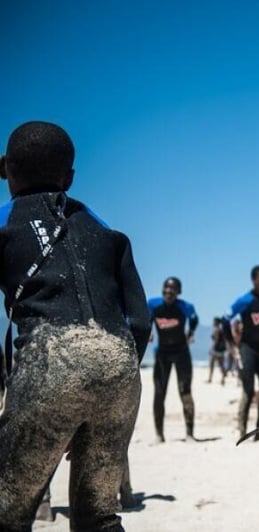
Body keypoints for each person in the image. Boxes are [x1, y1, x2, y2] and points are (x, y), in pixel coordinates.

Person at [0, 121, 150, 531]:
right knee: (97, 516)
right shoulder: (106, 231)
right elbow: (140, 320)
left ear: (4, 169)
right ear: (69, 178)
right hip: (119, 367)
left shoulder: (4, 223)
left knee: (7, 513)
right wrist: (103, 389)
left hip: (49, 362)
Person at [226, 265, 259, 441]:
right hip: (247, 349)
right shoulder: (245, 300)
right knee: (248, 391)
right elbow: (226, 319)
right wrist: (231, 345)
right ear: (254, 280)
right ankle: (242, 430)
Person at [148, 276, 198, 442]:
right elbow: (147, 319)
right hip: (163, 354)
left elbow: (194, 319)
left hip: (181, 352)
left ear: (178, 292)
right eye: (166, 288)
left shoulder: (185, 307)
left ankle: (190, 434)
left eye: (173, 289)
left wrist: (190, 333)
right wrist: (149, 331)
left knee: (185, 392)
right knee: (159, 393)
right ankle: (159, 435)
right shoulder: (153, 305)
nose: (169, 291)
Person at [209, 317, 228, 385]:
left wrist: (212, 349)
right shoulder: (222, 330)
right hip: (222, 349)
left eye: (214, 322)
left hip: (216, 349)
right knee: (221, 365)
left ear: (216, 322)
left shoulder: (217, 330)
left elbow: (216, 341)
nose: (213, 323)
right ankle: (223, 379)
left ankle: (210, 378)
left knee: (212, 363)